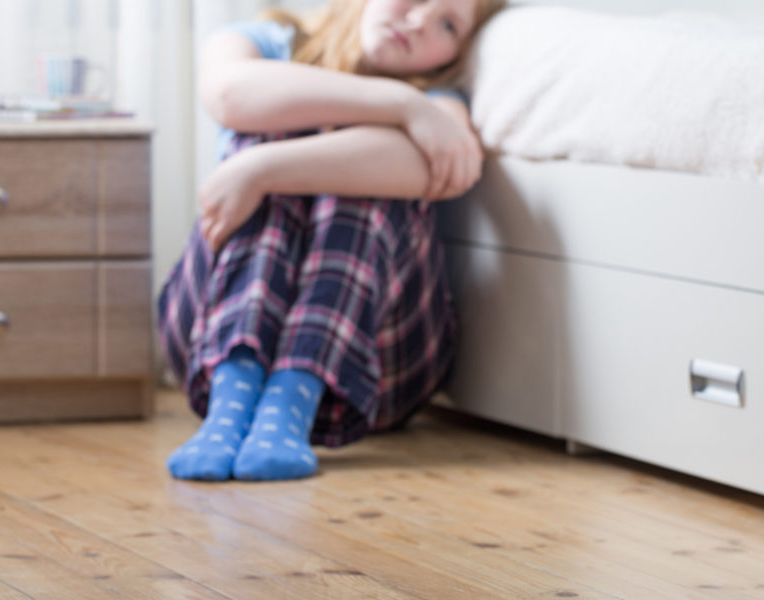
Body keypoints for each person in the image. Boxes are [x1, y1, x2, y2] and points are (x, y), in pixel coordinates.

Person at [158, 0, 506, 482]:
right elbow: (231, 95)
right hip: (207, 339)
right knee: (272, 128)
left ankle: (291, 400)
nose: (422, 21)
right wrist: (400, 104)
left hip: (376, 368)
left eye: (448, 24)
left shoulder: (440, 98)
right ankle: (231, 403)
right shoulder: (265, 39)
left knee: (370, 174)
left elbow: (437, 169)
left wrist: (259, 171)